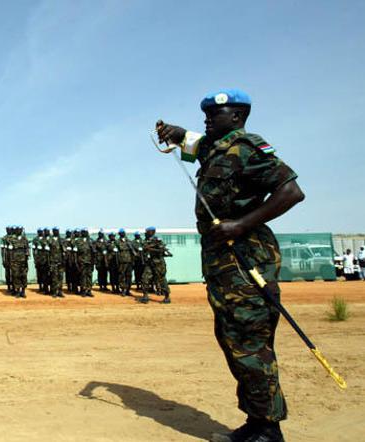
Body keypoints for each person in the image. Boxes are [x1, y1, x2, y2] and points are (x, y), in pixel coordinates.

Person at [157, 88, 305, 442]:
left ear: (236, 116)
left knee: (249, 340)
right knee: (233, 338)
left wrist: (241, 224)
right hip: (223, 262)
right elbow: (186, 138)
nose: (207, 118)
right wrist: (170, 131)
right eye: (205, 114)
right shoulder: (213, 148)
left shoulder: (249, 148)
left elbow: (291, 191)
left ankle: (268, 430)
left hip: (246, 256)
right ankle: (257, 423)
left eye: (215, 114)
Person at [139, 227, 173, 304]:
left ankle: (167, 296)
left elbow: (161, 250)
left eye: (147, 232)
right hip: (149, 263)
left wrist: (150, 249)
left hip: (158, 263)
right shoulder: (145, 241)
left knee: (161, 279)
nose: (145, 233)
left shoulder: (157, 240)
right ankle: (145, 296)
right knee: (145, 278)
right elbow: (143, 249)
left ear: (152, 232)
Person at [116, 229, 135, 296]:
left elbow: (133, 252)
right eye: (121, 233)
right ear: (119, 234)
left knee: (129, 276)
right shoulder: (117, 242)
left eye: (123, 232)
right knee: (121, 275)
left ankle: (128, 289)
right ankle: (123, 289)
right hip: (122, 261)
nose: (123, 234)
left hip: (129, 261)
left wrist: (133, 261)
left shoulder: (129, 241)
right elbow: (118, 251)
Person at [48, 227, 65, 298]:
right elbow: (47, 252)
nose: (56, 232)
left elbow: (64, 251)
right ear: (53, 231)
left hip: (60, 261)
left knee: (60, 277)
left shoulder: (61, 240)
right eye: (55, 231)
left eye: (57, 231)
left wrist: (64, 260)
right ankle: (54, 291)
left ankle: (60, 291)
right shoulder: (50, 240)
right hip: (53, 261)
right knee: (54, 277)